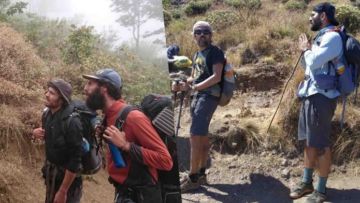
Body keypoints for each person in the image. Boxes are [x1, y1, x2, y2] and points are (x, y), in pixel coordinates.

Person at [82, 68, 173, 202]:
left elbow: (166, 161)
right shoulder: (110, 116)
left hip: (142, 196)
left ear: (104, 88)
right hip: (124, 192)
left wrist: (126, 146)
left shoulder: (134, 118)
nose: (85, 89)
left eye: (90, 84)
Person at [290, 2, 345, 203]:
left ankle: (321, 190)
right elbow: (309, 67)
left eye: (313, 14)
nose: (309, 18)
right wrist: (305, 51)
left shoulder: (332, 37)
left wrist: (306, 49)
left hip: (322, 97)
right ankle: (307, 183)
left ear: (323, 16)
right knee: (309, 142)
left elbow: (313, 61)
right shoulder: (321, 38)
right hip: (311, 95)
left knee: (320, 144)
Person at [172, 21, 225, 192]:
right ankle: (201, 174)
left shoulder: (215, 52)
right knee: (201, 137)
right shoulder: (196, 55)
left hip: (208, 97)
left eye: (206, 32)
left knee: (195, 136)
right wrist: (182, 84)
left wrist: (194, 87)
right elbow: (195, 77)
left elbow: (217, 77)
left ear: (211, 35)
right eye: (198, 32)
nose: (202, 35)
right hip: (198, 96)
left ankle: (193, 177)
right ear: (194, 35)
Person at [32, 79, 83, 203]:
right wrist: (36, 133)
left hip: (68, 184)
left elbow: (75, 160)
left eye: (52, 93)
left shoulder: (72, 123)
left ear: (62, 99)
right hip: (52, 176)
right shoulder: (47, 115)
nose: (47, 95)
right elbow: (54, 140)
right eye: (47, 91)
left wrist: (63, 191)